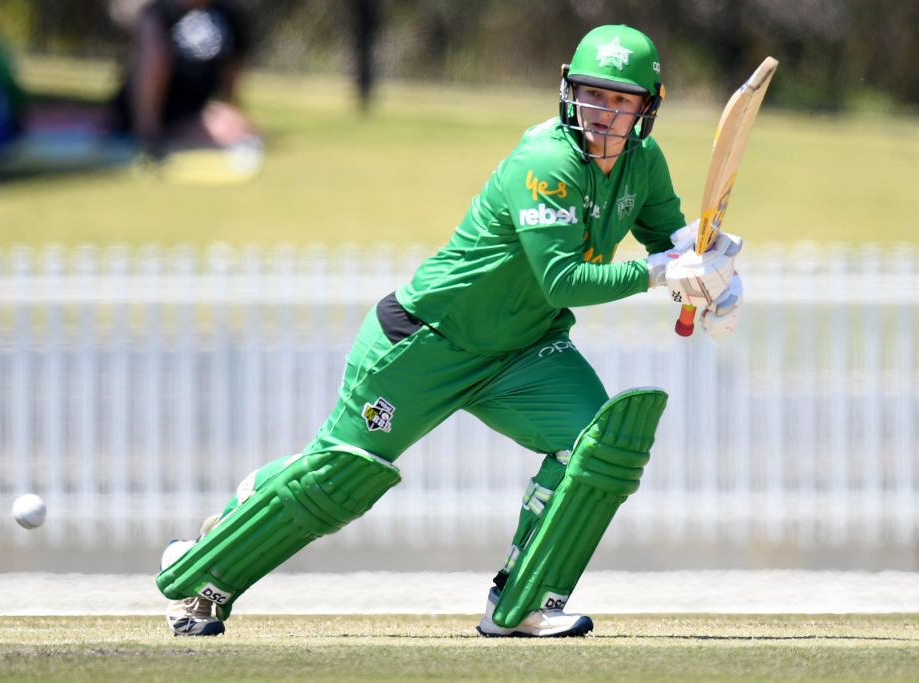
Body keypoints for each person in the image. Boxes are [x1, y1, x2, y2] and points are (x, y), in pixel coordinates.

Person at [156, 24, 744, 638]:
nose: (603, 113)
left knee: (599, 449)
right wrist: (663, 274)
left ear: (646, 109)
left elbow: (674, 241)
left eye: (621, 101)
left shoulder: (643, 163)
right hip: (426, 340)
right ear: (569, 90)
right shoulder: (546, 160)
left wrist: (714, 281)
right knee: (340, 481)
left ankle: (524, 603)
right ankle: (202, 569)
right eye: (593, 95)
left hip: (523, 351)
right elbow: (565, 281)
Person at [109, 0, 255, 155]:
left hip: (191, 113)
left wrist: (229, 110)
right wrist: (147, 127)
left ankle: (165, 133)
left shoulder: (226, 14)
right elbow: (154, 61)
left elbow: (232, 67)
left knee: (240, 133)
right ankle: (148, 131)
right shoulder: (159, 11)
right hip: (147, 111)